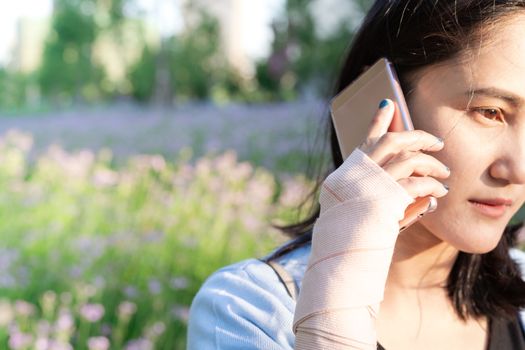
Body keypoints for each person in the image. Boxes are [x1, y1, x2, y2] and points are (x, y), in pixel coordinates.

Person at [187, 0, 525, 349]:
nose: (519, 170)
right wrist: (335, 307)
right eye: (490, 112)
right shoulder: (248, 309)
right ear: (380, 93)